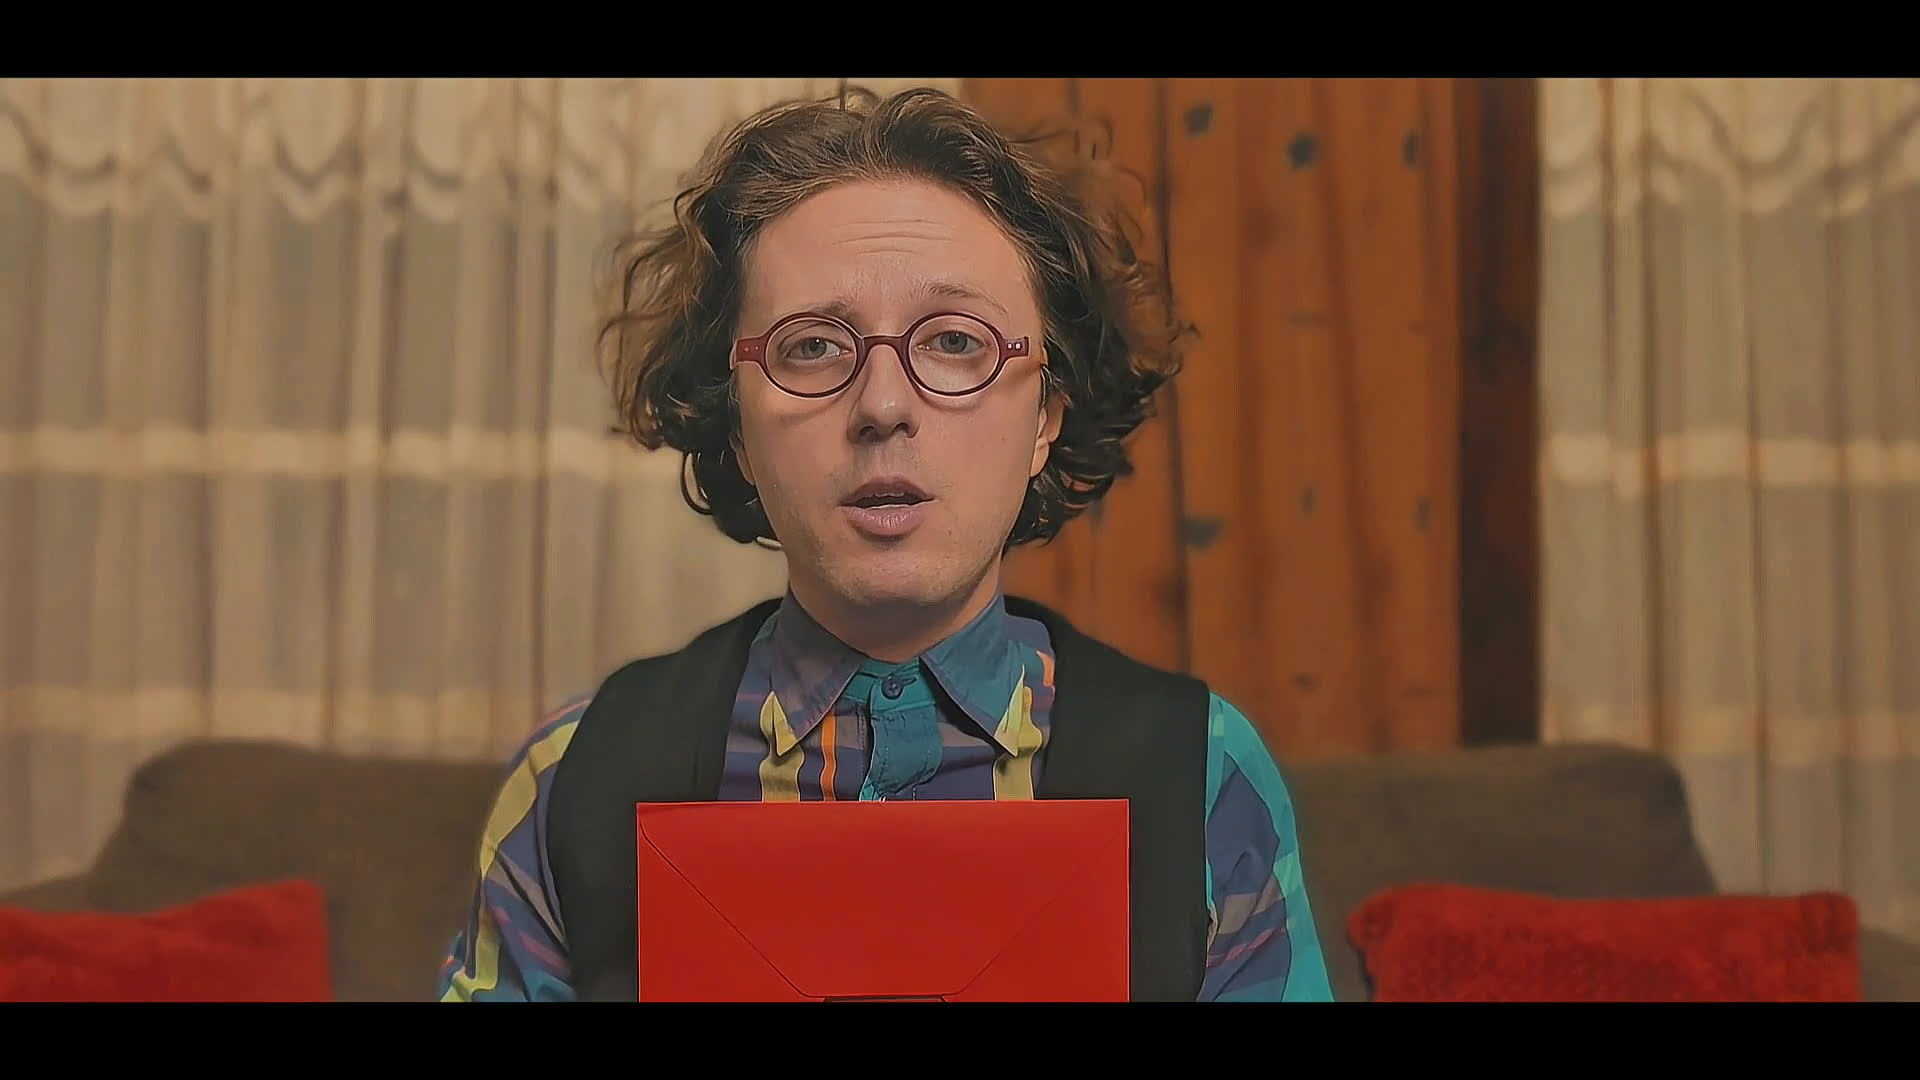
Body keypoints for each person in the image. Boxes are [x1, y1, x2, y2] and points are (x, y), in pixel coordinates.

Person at [436, 85, 1334, 1003]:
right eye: (812, 347)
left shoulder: (1204, 776)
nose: (884, 405)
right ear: (737, 430)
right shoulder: (575, 777)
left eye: (955, 340)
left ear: (1046, 418)